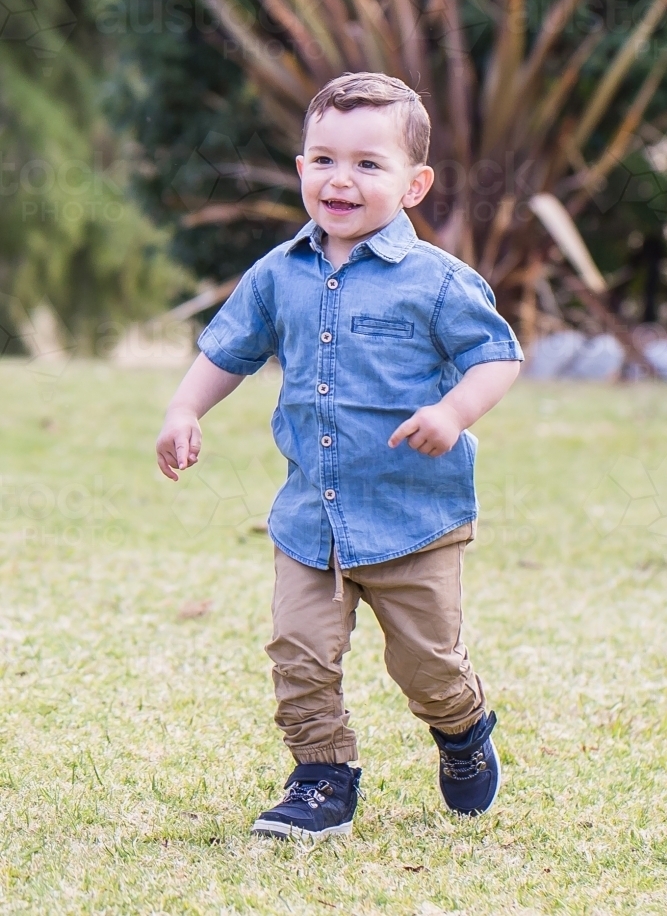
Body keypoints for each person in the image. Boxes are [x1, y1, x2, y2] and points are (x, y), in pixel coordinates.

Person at [156, 72, 523, 840]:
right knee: (298, 652)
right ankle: (321, 776)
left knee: (424, 666)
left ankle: (460, 728)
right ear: (300, 169)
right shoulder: (277, 274)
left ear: (414, 184)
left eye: (367, 163)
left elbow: (497, 357)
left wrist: (452, 412)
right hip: (309, 520)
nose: (340, 179)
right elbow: (230, 349)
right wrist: (186, 407)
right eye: (323, 159)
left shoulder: (436, 281)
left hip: (413, 518)